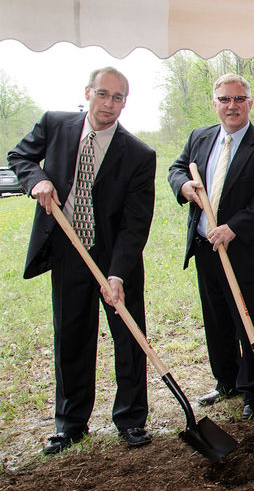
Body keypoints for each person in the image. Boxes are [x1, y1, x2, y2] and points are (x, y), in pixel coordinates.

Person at [7, 67, 156, 454]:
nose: (110, 104)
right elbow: (19, 156)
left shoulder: (139, 154)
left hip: (113, 256)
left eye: (118, 97)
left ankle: (131, 419)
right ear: (88, 92)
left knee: (128, 337)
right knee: (71, 335)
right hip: (68, 250)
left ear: (126, 101)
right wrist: (36, 180)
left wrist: (118, 274)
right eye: (104, 94)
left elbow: (136, 223)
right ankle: (71, 424)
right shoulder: (55, 124)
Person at [167, 74, 254, 420]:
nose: (231, 106)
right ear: (214, 103)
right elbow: (177, 168)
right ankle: (227, 381)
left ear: (250, 103)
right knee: (217, 320)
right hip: (207, 249)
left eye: (238, 99)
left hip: (248, 252)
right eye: (224, 99)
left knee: (251, 322)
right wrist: (185, 186)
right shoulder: (200, 138)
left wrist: (233, 228)